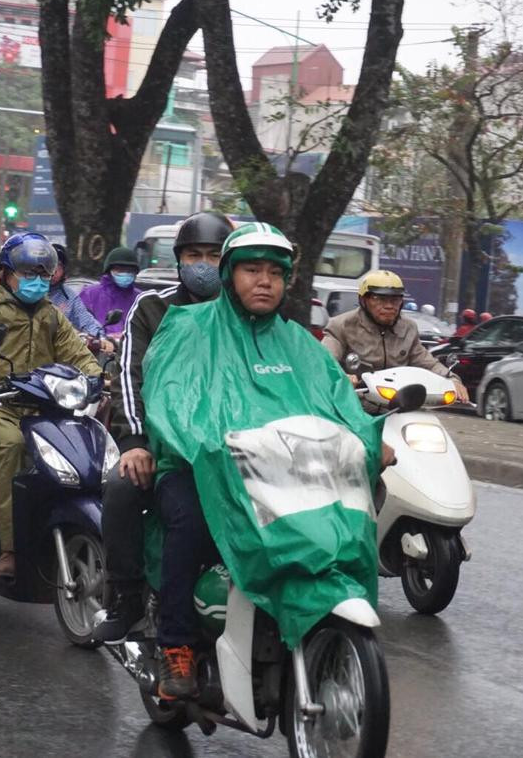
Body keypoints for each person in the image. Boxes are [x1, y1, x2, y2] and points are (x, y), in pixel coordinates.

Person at [140, 222, 390, 700]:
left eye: (275, 272)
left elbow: (336, 401)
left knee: (341, 516)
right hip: (202, 466)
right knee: (188, 524)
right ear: (231, 274)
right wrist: (206, 441)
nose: (264, 281)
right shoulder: (188, 329)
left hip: (277, 469)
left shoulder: (299, 342)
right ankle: (176, 646)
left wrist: (368, 439)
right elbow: (169, 397)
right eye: (251, 270)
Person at [93, 211, 233, 643]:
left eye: (214, 255)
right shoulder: (153, 309)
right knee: (120, 489)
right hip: (165, 447)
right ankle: (127, 597)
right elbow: (130, 377)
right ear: (179, 260)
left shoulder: (245, 314)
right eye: (194, 254)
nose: (203, 264)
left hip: (237, 450)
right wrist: (136, 442)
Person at [0, 232, 101, 579]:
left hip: (41, 407)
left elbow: (78, 354)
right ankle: (9, 549)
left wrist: (96, 379)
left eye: (43, 275)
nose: (37, 281)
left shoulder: (52, 316)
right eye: (28, 273)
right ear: (5, 273)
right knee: (9, 446)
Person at [321, 269, 468, 404]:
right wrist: (341, 377)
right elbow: (324, 362)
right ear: (364, 300)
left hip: (397, 408)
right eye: (380, 299)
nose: (389, 306)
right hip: (354, 407)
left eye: (395, 300)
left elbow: (428, 363)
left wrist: (451, 379)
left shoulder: (408, 328)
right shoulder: (342, 325)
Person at [79, 247, 143, 336]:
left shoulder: (141, 298)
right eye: (120, 270)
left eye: (129, 271)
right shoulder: (90, 294)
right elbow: (79, 324)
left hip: (132, 348)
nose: (125, 274)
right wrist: (103, 336)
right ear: (109, 270)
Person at [49, 243, 106, 340]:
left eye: (58, 267)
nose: (53, 272)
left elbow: (86, 320)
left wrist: (100, 337)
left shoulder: (69, 296)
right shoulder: (29, 291)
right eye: (48, 266)